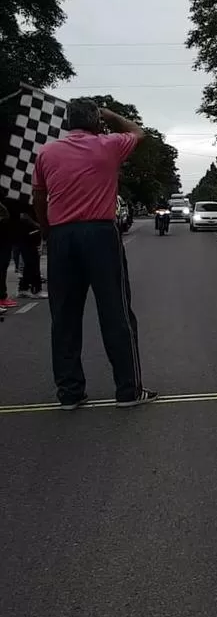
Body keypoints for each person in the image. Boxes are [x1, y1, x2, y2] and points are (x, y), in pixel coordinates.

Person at [32, 98, 158, 410]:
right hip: (100, 234)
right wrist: (111, 114)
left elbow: (38, 195)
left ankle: (70, 394)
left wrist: (48, 231)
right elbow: (139, 132)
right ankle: (128, 390)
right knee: (115, 312)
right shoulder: (109, 144)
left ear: (66, 123)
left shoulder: (46, 152)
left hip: (62, 235)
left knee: (64, 316)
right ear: (96, 123)